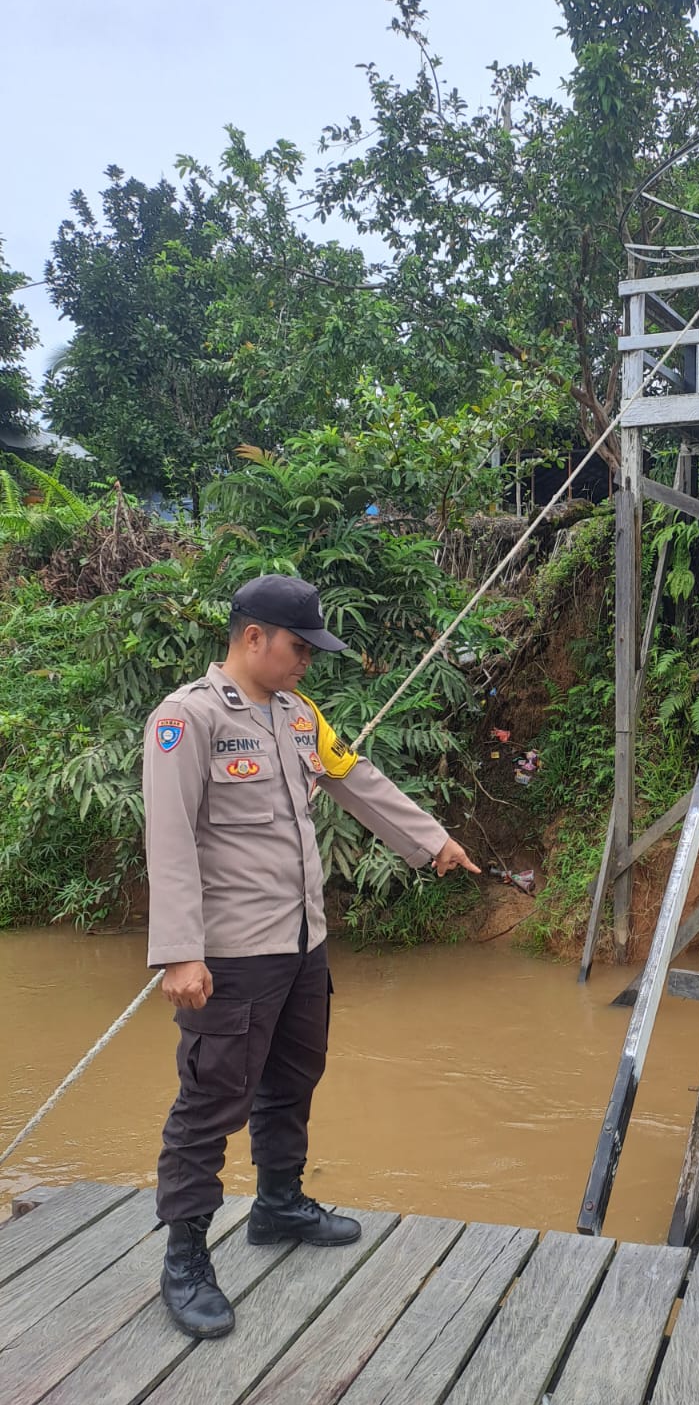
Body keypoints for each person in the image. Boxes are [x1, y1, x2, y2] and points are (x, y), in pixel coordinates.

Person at [142, 574, 480, 1340]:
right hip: (230, 955)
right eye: (299, 648)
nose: (307, 664)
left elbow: (354, 778)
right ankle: (186, 1257)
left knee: (293, 1078)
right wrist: (179, 954)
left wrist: (432, 842)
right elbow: (166, 840)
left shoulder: (298, 716)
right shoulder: (186, 720)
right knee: (209, 1104)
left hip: (302, 945)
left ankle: (278, 1203)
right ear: (252, 636)